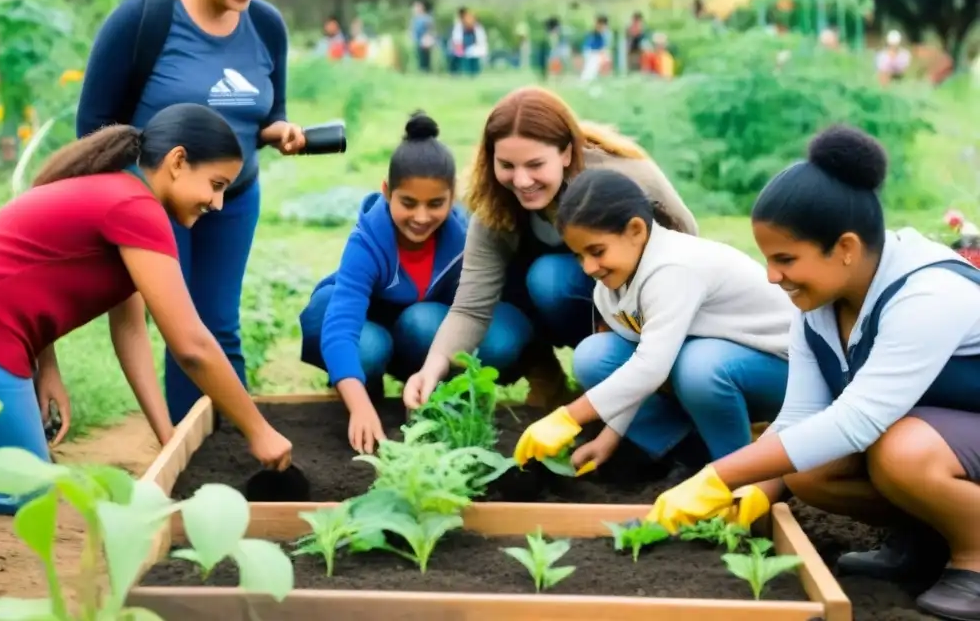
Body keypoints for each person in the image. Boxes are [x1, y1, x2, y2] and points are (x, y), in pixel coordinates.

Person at [645, 125, 980, 621]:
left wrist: (716, 474)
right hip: (951, 440)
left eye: (785, 259)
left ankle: (974, 558)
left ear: (844, 247)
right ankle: (925, 540)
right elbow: (801, 418)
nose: (771, 276)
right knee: (808, 469)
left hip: (936, 440)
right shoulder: (820, 305)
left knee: (901, 451)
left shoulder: (926, 293)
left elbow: (856, 421)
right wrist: (758, 489)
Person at [0, 104, 293, 515]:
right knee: (27, 491)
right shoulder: (134, 208)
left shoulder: (122, 196)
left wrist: (166, 436)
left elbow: (130, 332)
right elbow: (190, 344)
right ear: (178, 161)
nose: (219, 203)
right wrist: (259, 431)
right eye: (216, 184)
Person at [75, 0, 305, 424]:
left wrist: (280, 132)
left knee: (220, 323)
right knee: (187, 331)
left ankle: (232, 451)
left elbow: (269, 112)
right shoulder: (144, 18)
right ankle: (193, 453)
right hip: (152, 201)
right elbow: (92, 127)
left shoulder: (266, 25)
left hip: (233, 196)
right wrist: (121, 202)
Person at [402, 85, 698, 412]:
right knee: (527, 289)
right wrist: (431, 370)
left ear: (566, 153)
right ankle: (546, 375)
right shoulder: (496, 203)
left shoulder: (617, 184)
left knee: (549, 278)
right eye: (508, 165)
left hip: (641, 303)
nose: (522, 180)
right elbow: (471, 306)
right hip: (562, 304)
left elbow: (687, 245)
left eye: (535, 164)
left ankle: (621, 372)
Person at [511, 168, 792, 474]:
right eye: (579, 256)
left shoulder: (672, 268)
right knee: (596, 356)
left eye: (597, 251)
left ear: (636, 230)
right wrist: (609, 437)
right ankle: (688, 450)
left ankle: (738, 472)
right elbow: (636, 371)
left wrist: (568, 416)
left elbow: (650, 367)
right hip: (719, 371)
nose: (589, 267)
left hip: (787, 374)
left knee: (697, 365)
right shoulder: (612, 286)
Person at [300, 112, 531, 453]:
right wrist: (359, 407)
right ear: (386, 192)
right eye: (408, 203)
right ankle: (363, 388)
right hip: (373, 329)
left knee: (491, 335)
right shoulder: (368, 241)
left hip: (424, 334)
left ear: (453, 198)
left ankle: (436, 390)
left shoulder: (469, 237)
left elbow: (492, 306)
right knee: (364, 346)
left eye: (435, 204)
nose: (421, 217)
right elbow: (341, 325)